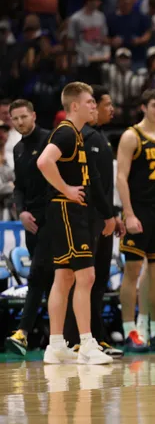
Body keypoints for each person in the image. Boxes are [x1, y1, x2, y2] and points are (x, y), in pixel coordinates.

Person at [36, 81, 115, 365]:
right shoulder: (67, 132)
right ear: (74, 106)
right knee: (86, 277)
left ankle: (56, 344)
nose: (94, 105)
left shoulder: (77, 135)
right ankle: (87, 343)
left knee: (65, 277)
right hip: (67, 211)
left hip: (66, 213)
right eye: (90, 101)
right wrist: (66, 189)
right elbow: (44, 162)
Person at [116, 89, 155, 353]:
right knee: (132, 272)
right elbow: (121, 177)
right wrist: (128, 214)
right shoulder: (132, 136)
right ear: (143, 106)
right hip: (138, 212)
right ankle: (130, 330)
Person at [63, 87, 125, 358]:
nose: (110, 109)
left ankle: (95, 336)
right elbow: (91, 184)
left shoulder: (100, 137)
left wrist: (113, 214)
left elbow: (103, 185)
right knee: (81, 280)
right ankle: (74, 338)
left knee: (97, 280)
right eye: (104, 104)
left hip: (103, 216)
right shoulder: (82, 137)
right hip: (88, 218)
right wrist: (106, 215)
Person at [4, 100, 53, 356]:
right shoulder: (18, 149)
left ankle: (23, 332)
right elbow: (20, 187)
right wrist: (21, 212)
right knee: (44, 279)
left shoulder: (50, 140)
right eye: (15, 119)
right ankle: (58, 337)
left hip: (52, 219)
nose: (20, 122)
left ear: (33, 115)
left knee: (38, 276)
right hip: (30, 222)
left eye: (24, 117)